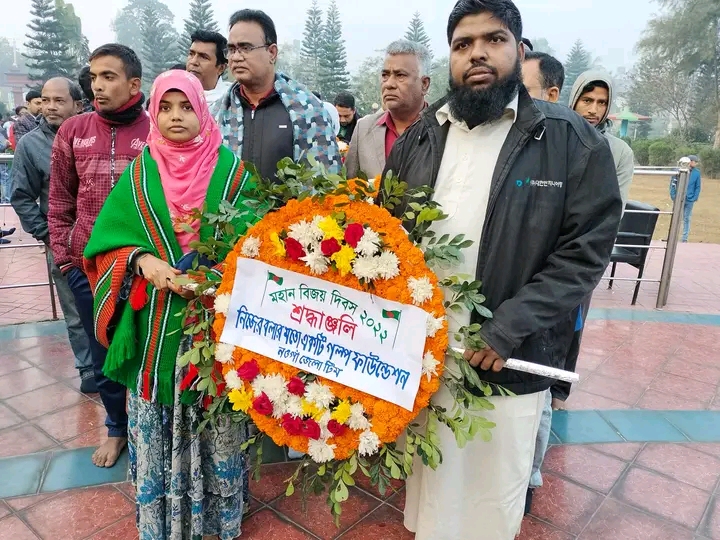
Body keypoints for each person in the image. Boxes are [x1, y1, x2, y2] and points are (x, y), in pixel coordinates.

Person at [384, 1, 622, 538]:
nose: (477, 54)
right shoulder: (422, 135)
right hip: (425, 360)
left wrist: (506, 328)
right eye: (462, 44)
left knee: (489, 506)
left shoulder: (569, 141)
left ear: (519, 47)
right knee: (429, 500)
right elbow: (388, 237)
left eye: (493, 39)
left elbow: (584, 252)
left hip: (507, 361)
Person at [85, 69, 252, 539]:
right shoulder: (140, 172)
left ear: (202, 110)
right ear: (153, 112)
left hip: (214, 323)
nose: (176, 117)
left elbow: (257, 242)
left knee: (215, 412)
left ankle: (217, 517)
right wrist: (142, 260)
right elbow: (106, 242)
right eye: (166, 107)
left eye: (185, 107)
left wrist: (214, 277)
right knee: (158, 416)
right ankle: (164, 517)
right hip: (154, 324)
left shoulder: (231, 170)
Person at [48, 43, 150, 469]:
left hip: (144, 267)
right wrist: (68, 259)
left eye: (109, 76)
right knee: (104, 351)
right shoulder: (73, 131)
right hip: (88, 270)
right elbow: (58, 202)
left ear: (134, 84)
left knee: (145, 351)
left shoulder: (157, 128)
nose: (98, 86)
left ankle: (151, 428)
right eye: (93, 77)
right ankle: (116, 428)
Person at [10, 78, 95, 392]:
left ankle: (116, 365)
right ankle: (88, 369)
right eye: (45, 101)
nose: (49, 108)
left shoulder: (95, 136)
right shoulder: (31, 145)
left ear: (78, 104)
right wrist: (46, 233)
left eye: (58, 101)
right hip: (61, 241)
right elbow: (21, 195)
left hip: (102, 239)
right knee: (74, 308)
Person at [214, 9, 340, 180]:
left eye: (245, 48)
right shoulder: (217, 113)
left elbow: (326, 184)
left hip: (292, 206)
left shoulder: (308, 110)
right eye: (231, 49)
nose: (236, 57)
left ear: (272, 53)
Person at [521, 50, 565, 513]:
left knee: (538, 397)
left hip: (542, 305)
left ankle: (530, 480)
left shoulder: (575, 152)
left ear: (552, 96)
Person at [346, 39, 430, 179]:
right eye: (385, 75)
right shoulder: (363, 129)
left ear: (424, 84)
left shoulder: (441, 131)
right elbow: (348, 189)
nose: (389, 84)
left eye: (400, 75)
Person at [570, 70, 634, 208]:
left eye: (602, 103)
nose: (593, 110)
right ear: (574, 100)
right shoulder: (553, 140)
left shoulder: (620, 152)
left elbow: (616, 208)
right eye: (587, 100)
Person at [186, 29, 231, 105]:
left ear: (221, 68)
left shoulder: (231, 101)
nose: (193, 62)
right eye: (191, 54)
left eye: (203, 57)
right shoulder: (172, 94)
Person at [671, 155, 702, 242]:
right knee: (676, 217)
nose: (696, 163)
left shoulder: (697, 173)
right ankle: (673, 237)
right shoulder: (678, 171)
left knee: (687, 218)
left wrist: (694, 197)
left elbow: (698, 186)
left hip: (689, 199)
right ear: (690, 162)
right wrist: (674, 196)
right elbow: (672, 184)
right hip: (678, 198)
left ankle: (684, 238)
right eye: (695, 162)